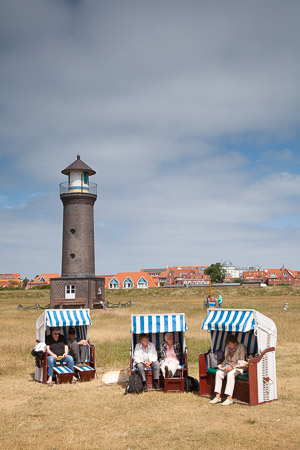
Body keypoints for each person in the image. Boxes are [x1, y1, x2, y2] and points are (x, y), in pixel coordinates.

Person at [210, 334, 247, 406]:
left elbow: (242, 362)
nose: (229, 346)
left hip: (239, 367)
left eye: (230, 344)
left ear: (235, 342)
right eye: (228, 344)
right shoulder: (227, 348)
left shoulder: (241, 347)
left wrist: (232, 367)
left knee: (230, 374)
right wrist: (222, 365)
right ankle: (218, 396)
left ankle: (229, 398)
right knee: (218, 373)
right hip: (228, 366)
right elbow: (226, 359)